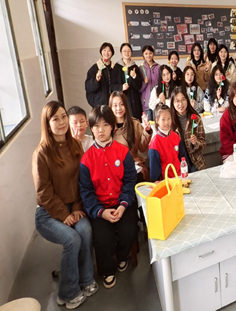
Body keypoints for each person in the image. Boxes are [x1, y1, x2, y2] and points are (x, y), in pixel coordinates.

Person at [33, 101, 98, 309]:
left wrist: (77, 207)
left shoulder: (75, 145)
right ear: (47, 124)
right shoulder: (42, 153)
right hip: (48, 213)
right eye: (56, 119)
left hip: (73, 207)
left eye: (63, 117)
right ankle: (67, 292)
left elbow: (81, 181)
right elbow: (43, 193)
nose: (61, 122)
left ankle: (86, 280)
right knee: (72, 239)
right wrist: (64, 214)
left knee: (85, 230)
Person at [79, 105, 138, 289]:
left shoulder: (123, 152)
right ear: (91, 128)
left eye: (105, 125)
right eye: (96, 126)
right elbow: (86, 192)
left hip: (122, 204)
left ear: (112, 127)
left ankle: (122, 257)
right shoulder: (86, 159)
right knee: (102, 239)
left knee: (129, 230)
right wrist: (101, 212)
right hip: (100, 208)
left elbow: (130, 181)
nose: (101, 130)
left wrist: (122, 205)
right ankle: (107, 270)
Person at [110, 91, 152, 182]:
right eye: (115, 105)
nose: (119, 108)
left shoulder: (134, 124)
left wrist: (147, 131)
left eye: (122, 104)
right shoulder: (108, 127)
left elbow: (142, 148)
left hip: (135, 165)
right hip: (115, 167)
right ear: (111, 107)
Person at [148, 104, 189, 181]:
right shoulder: (155, 143)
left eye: (169, 118)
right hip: (166, 180)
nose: (167, 122)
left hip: (181, 176)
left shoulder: (176, 136)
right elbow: (154, 171)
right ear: (157, 120)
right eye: (163, 119)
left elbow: (183, 157)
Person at [170, 88, 207, 171]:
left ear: (187, 100)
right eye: (177, 101)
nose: (180, 104)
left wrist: (196, 142)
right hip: (177, 162)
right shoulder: (170, 121)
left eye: (183, 100)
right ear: (172, 103)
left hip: (195, 161)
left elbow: (203, 143)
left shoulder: (196, 119)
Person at [85, 42, 123, 107]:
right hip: (99, 105)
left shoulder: (116, 68)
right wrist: (96, 80)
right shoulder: (94, 68)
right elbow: (88, 87)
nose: (106, 53)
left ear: (112, 53)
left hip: (114, 104)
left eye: (109, 51)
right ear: (101, 52)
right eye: (104, 50)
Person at [117, 43, 143, 119]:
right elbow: (112, 85)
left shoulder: (135, 67)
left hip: (134, 101)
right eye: (124, 51)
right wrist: (121, 87)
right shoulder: (116, 67)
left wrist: (134, 77)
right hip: (122, 100)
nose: (127, 53)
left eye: (128, 51)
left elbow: (139, 86)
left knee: (135, 121)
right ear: (121, 53)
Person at [139, 45, 160, 120]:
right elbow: (139, 89)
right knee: (147, 125)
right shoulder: (140, 68)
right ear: (143, 55)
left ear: (153, 54)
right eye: (146, 53)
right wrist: (144, 83)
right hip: (146, 103)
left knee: (157, 124)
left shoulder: (158, 67)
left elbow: (161, 84)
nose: (148, 55)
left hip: (156, 102)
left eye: (150, 53)